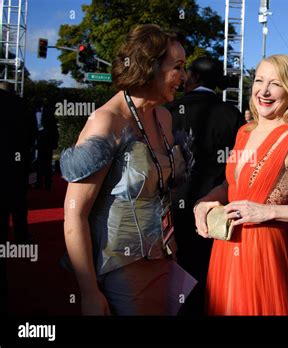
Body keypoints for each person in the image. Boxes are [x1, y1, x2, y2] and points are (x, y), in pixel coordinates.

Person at [193, 54, 288, 315]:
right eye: (259, 80)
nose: (264, 90)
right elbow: (233, 187)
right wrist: (203, 203)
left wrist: (268, 211)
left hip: (264, 251)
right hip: (226, 245)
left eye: (275, 83)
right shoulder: (245, 131)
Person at [60, 24, 188, 315]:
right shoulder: (106, 122)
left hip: (164, 258)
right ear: (149, 66)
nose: (183, 76)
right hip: (118, 268)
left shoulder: (164, 117)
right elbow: (74, 212)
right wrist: (89, 291)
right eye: (177, 67)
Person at [166, 56, 242, 315]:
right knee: (210, 272)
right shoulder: (232, 114)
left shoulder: (170, 111)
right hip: (217, 206)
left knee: (175, 268)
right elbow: (240, 164)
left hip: (174, 204)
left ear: (194, 77)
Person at [0, 82, 36, 245]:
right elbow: (33, 134)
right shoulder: (23, 106)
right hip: (17, 164)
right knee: (18, 202)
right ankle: (21, 236)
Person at [32, 96, 59, 190]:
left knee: (47, 163)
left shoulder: (48, 113)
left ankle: (48, 183)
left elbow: (54, 129)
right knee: (37, 163)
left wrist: (55, 142)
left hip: (47, 142)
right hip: (35, 141)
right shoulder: (32, 112)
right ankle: (38, 183)